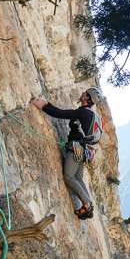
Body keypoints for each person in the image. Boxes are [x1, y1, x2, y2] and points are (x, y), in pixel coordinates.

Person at [31, 87, 105, 220]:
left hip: (75, 149)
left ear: (87, 97)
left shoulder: (83, 113)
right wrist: (47, 104)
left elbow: (62, 114)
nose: (82, 93)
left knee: (69, 177)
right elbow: (63, 113)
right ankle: (89, 205)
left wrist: (43, 107)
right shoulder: (88, 114)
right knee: (78, 178)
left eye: (85, 93)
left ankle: (87, 204)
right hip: (83, 150)